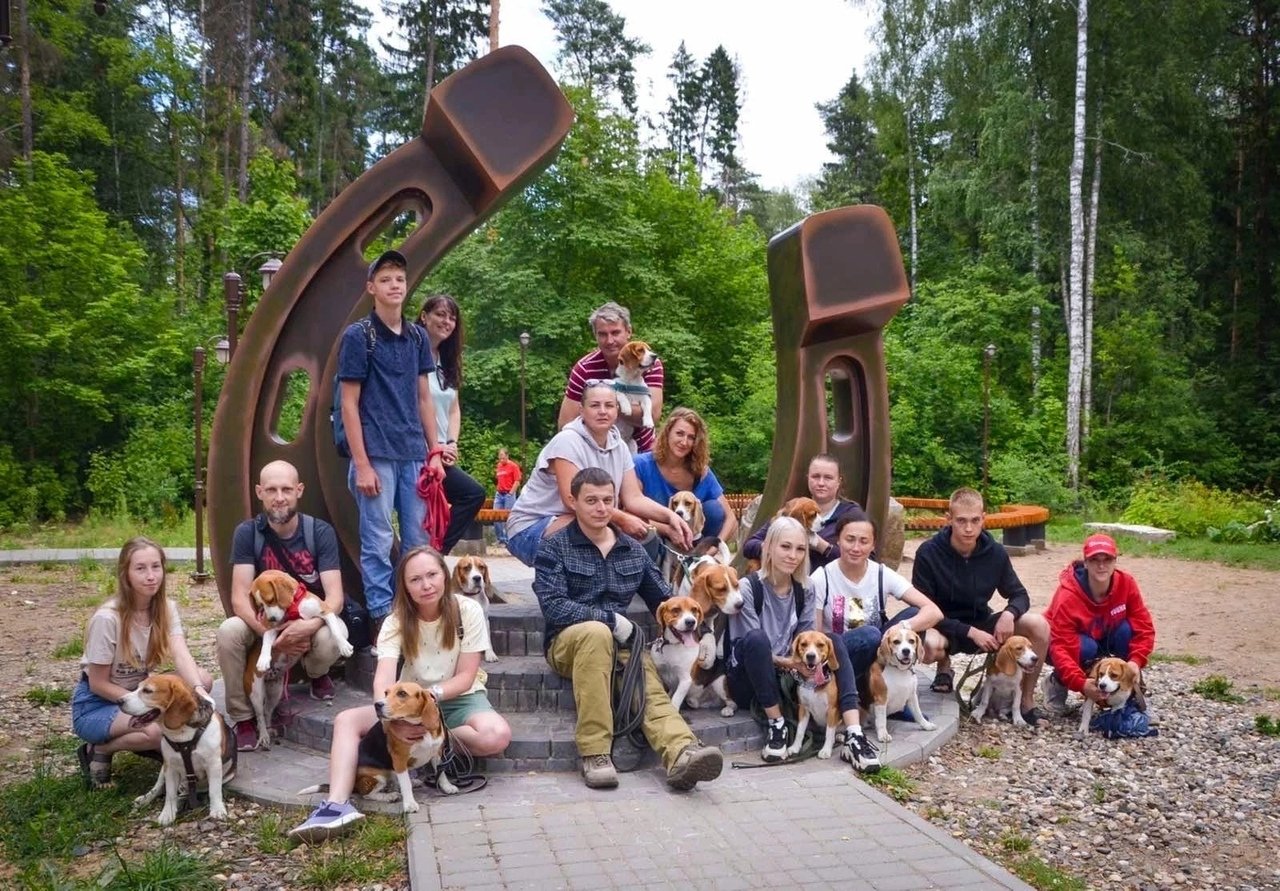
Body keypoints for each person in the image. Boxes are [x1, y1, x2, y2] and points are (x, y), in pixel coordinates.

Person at [288, 546, 511, 841]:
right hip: (408, 703)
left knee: (497, 735)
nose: (426, 584)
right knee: (345, 720)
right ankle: (336, 806)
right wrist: (393, 718)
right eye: (415, 579)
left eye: (432, 575)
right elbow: (384, 679)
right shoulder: (396, 621)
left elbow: (466, 675)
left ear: (445, 576)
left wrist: (428, 719)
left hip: (457, 696)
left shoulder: (467, 610)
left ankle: (430, 748)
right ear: (405, 586)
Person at [533, 467, 723, 790]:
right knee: (596, 633)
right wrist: (610, 620)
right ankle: (595, 753)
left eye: (607, 500)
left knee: (646, 677)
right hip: (568, 643)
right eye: (591, 500)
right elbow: (554, 607)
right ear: (573, 501)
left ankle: (681, 752)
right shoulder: (554, 548)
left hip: (621, 645)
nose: (601, 507)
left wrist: (700, 631)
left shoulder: (633, 551)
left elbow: (665, 600)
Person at [726, 517, 882, 772]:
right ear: (768, 547)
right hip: (751, 679)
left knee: (834, 640)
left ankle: (854, 734)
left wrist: (807, 663)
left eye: (800, 549)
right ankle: (776, 726)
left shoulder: (805, 588)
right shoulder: (748, 587)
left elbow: (809, 637)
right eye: (785, 547)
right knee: (757, 639)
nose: (793, 555)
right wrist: (791, 663)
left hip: (793, 675)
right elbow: (751, 648)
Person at [339, 249, 444, 628]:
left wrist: (434, 452)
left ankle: (418, 611)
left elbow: (423, 397)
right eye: (385, 279)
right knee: (378, 540)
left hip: (414, 451)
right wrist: (362, 464)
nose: (394, 285)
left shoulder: (417, 336)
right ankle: (383, 615)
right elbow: (348, 404)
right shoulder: (359, 336)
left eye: (399, 278)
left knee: (419, 541)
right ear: (372, 288)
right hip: (376, 453)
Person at [216, 460, 349, 751]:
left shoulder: (319, 533)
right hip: (265, 624)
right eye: (272, 489)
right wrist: (272, 637)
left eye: (286, 489)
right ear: (259, 492)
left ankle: (316, 673)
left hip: (306, 619)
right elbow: (239, 597)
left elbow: (335, 597)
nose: (279, 497)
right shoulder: (248, 533)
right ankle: (244, 717)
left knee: (334, 632)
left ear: (299, 490)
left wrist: (305, 628)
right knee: (228, 631)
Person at [72, 537, 214, 788]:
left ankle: (167, 741)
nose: (151, 576)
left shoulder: (165, 608)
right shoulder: (108, 618)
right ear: (125, 574)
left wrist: (200, 692)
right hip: (96, 704)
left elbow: (181, 654)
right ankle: (100, 749)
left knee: (201, 680)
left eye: (156, 567)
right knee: (157, 731)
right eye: (141, 568)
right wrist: (147, 706)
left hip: (137, 691)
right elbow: (97, 684)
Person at [505, 380, 693, 568]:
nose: (603, 411)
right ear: (582, 410)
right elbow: (572, 501)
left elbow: (634, 498)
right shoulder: (566, 441)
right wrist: (622, 519)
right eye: (595, 405)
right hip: (530, 529)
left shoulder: (620, 447)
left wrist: (670, 517)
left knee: (631, 536)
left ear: (617, 410)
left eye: (609, 405)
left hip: (584, 520)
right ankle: (555, 586)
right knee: (600, 528)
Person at [912, 487, 1050, 725]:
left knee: (1038, 625)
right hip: (941, 624)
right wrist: (969, 632)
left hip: (981, 621)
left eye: (975, 520)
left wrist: (1009, 613)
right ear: (948, 520)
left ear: (983, 519)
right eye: (961, 521)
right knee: (928, 646)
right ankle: (944, 667)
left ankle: (1026, 701)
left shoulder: (995, 552)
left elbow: (1019, 594)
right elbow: (922, 608)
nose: (968, 528)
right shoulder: (928, 553)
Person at [811, 511, 944, 685]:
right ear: (838, 540)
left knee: (914, 613)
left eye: (864, 541)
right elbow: (815, 635)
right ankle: (854, 690)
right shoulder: (822, 577)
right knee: (869, 634)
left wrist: (902, 626)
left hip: (877, 650)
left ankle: (892, 692)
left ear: (873, 545)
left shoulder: (881, 574)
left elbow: (934, 612)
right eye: (850, 539)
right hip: (841, 655)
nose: (856, 548)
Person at [1042, 534, 1156, 715]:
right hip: (1061, 645)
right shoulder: (1067, 596)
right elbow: (1060, 647)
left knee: (1126, 631)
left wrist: (1135, 661)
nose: (1101, 565)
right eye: (1095, 560)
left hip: (1104, 635)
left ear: (1115, 561)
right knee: (1087, 647)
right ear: (1085, 563)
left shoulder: (1127, 583)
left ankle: (1131, 692)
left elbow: (1144, 628)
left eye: (1107, 559)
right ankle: (1056, 682)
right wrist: (1080, 683)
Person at [417, 294, 486, 554]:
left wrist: (451, 444)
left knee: (472, 494)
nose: (447, 321)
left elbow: (453, 408)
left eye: (452, 317)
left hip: (441, 453)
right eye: (440, 314)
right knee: (470, 493)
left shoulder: (446, 361)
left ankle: (436, 552)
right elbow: (415, 406)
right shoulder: (413, 354)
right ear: (424, 316)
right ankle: (431, 556)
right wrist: (432, 448)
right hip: (419, 451)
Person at [556, 301, 664, 453]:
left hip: (640, 450)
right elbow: (565, 423)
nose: (609, 341)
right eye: (602, 334)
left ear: (629, 331)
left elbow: (652, 414)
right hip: (595, 451)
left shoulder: (650, 364)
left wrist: (603, 405)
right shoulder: (584, 368)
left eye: (615, 332)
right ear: (595, 336)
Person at [633, 407, 738, 546]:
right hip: (653, 536)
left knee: (714, 509)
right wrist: (667, 530)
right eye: (679, 433)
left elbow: (730, 519)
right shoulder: (641, 464)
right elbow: (630, 514)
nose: (684, 442)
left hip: (694, 542)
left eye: (691, 437)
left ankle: (700, 560)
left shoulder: (701, 472)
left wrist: (716, 547)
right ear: (667, 433)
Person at [742, 453, 863, 569]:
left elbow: (866, 558)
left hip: (830, 586)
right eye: (815, 476)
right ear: (808, 478)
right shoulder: (795, 508)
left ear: (838, 481)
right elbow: (749, 546)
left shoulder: (851, 514)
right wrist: (776, 548)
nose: (821, 483)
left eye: (828, 478)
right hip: (787, 586)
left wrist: (821, 546)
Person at [493, 447, 522, 547]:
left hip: (508, 493)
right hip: (499, 493)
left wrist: (510, 493)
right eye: (500, 458)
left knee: (508, 517)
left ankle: (509, 539)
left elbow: (517, 481)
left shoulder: (513, 466)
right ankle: (500, 539)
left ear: (507, 456)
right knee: (495, 516)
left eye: (503, 458)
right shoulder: (499, 466)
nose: (501, 460)